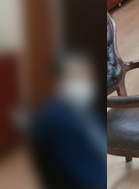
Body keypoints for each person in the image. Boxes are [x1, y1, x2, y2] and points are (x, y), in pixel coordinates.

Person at [29, 50, 105, 189]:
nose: (84, 82)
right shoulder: (56, 120)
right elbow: (82, 175)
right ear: (58, 81)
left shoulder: (84, 107)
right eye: (76, 76)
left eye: (86, 76)